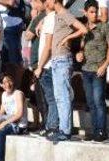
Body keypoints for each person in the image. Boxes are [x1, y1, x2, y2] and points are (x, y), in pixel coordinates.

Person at [45, 0, 87, 143]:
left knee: (63, 97)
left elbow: (83, 29)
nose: (46, 3)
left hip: (63, 60)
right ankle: (63, 128)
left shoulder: (64, 13)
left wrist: (68, 38)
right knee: (59, 97)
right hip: (57, 60)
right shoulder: (57, 15)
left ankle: (65, 131)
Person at [77, 0, 109, 142]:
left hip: (98, 70)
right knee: (91, 102)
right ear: (85, 12)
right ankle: (94, 131)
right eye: (91, 12)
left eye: (96, 11)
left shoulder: (105, 27)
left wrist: (105, 66)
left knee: (99, 101)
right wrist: (79, 54)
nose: (94, 14)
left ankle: (101, 131)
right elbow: (81, 48)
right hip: (86, 70)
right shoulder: (83, 28)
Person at [34, 0, 58, 137]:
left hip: (48, 66)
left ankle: (52, 126)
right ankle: (50, 126)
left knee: (52, 99)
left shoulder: (51, 19)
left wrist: (40, 66)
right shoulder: (48, 19)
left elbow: (48, 47)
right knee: (50, 99)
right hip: (47, 65)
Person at [24, 0, 47, 132]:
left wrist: (33, 19)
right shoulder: (43, 16)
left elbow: (28, 35)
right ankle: (43, 123)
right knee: (38, 95)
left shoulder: (40, 16)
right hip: (37, 62)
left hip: (39, 62)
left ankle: (45, 124)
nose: (31, 3)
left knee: (41, 96)